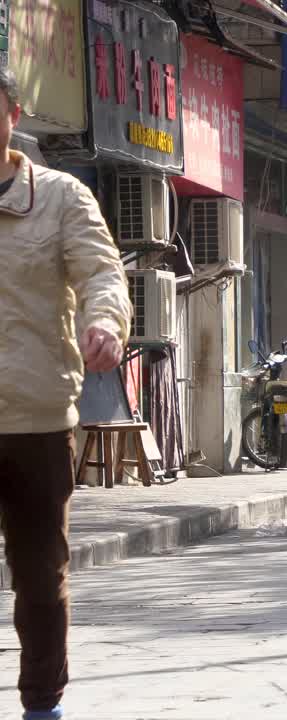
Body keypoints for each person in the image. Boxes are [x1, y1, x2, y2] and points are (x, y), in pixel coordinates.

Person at [0, 68, 132, 720]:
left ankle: (42, 706)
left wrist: (105, 322)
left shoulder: (59, 197)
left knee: (38, 579)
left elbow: (102, 273)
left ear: (12, 114)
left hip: (35, 419)